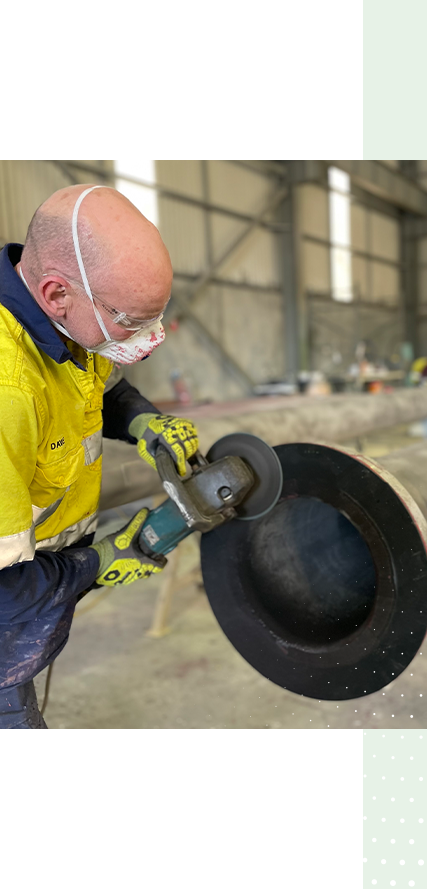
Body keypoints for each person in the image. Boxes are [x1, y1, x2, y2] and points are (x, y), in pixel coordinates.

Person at [0, 184, 200, 730]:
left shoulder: (62, 325)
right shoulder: (7, 390)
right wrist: (99, 562)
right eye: (133, 322)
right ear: (57, 293)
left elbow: (97, 386)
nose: (150, 341)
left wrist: (141, 420)